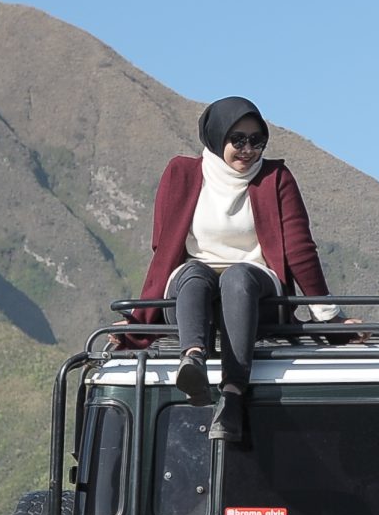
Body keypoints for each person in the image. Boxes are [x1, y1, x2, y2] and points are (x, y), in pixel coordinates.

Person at [131, 96, 341, 443]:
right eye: (238, 140)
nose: (248, 150)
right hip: (193, 288)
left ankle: (232, 393)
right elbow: (163, 248)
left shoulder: (276, 178)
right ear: (216, 137)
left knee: (237, 276)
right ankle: (193, 359)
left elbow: (300, 249)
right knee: (194, 275)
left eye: (257, 141)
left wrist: (328, 316)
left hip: (257, 288)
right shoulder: (182, 173)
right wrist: (138, 319)